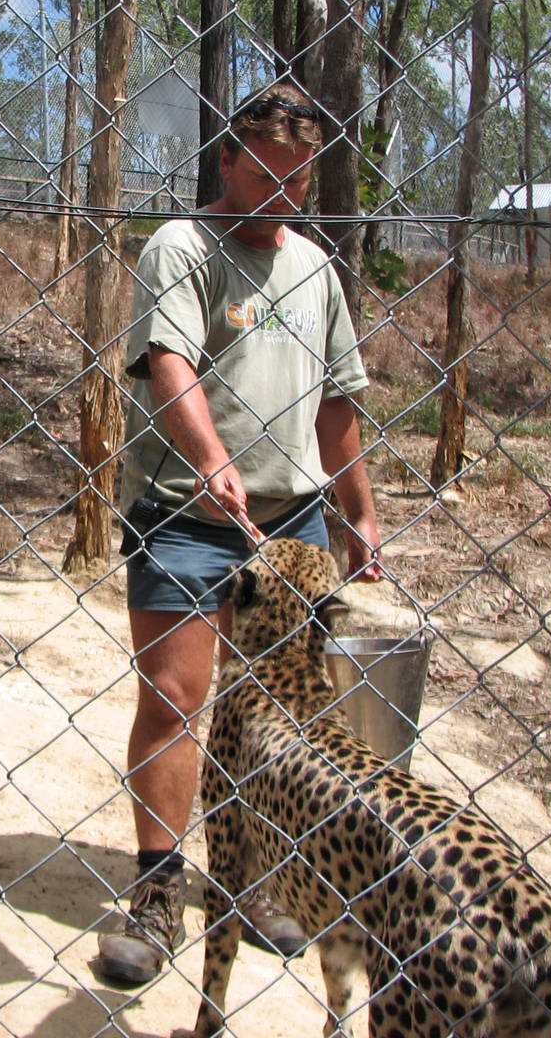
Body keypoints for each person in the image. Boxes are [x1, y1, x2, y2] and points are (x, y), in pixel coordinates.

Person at [97, 83, 383, 986]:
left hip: (291, 521)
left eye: (298, 178)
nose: (283, 193)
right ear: (227, 159)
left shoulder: (315, 270)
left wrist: (359, 512)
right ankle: (156, 887)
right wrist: (212, 458)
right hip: (187, 511)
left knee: (279, 716)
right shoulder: (182, 247)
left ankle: (254, 881)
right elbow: (169, 362)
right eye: (266, 171)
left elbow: (338, 400)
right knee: (178, 698)